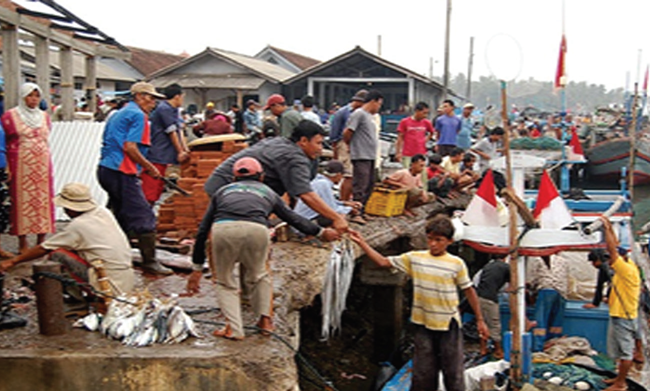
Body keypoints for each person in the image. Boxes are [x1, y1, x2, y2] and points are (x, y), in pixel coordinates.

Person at [187, 157, 339, 340]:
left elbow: (203, 229)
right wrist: (321, 232)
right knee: (260, 275)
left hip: (223, 230)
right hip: (257, 230)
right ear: (261, 177)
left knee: (225, 282)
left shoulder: (222, 191)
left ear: (234, 178)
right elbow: (293, 218)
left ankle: (234, 329)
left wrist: (196, 267)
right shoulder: (267, 192)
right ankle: (266, 322)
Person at [349, 216, 488, 391]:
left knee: (453, 371)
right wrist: (362, 243)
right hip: (423, 323)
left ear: (449, 241)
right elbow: (383, 262)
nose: (433, 244)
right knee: (423, 372)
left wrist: (480, 320)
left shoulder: (456, 263)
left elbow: (469, 290)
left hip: (448, 324)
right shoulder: (415, 258)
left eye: (439, 240)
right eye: (430, 239)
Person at [204, 120, 349, 233]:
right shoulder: (293, 157)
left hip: (229, 184)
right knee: (244, 227)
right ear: (303, 141)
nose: (320, 148)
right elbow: (306, 195)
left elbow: (296, 191)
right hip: (229, 187)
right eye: (318, 143)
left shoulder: (282, 143)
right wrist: (336, 218)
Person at [0, 183, 135, 296]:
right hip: (125, 279)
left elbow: (44, 248)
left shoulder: (78, 226)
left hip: (106, 282)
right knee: (71, 249)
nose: (65, 211)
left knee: (57, 255)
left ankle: (76, 300)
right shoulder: (102, 212)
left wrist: (12, 262)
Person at [97, 81, 172, 275]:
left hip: (106, 169)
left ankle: (114, 256)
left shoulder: (117, 113)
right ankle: (149, 261)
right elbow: (130, 147)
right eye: (151, 98)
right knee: (143, 215)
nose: (153, 103)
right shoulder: (138, 115)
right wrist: (150, 167)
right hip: (122, 171)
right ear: (139, 96)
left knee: (119, 214)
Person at [1, 82, 54, 254]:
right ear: (23, 97)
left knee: (43, 202)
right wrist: (7, 167)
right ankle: (22, 242)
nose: (33, 99)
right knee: (21, 201)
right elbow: (4, 141)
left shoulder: (44, 116)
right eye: (30, 95)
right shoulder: (11, 116)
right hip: (20, 164)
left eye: (37, 96)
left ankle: (41, 241)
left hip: (42, 165)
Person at [600, 217, 641, 391]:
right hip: (622, 314)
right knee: (617, 351)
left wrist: (605, 228)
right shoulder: (628, 264)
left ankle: (621, 383)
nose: (609, 261)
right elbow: (615, 248)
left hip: (623, 316)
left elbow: (613, 250)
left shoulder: (625, 269)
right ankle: (618, 377)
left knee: (625, 353)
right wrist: (608, 229)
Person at [141, 84, 190, 205]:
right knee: (151, 188)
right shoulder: (164, 109)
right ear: (177, 96)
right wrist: (180, 151)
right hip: (157, 153)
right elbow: (171, 131)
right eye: (182, 97)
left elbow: (180, 131)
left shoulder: (174, 110)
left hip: (164, 155)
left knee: (158, 187)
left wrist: (186, 149)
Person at [343, 89, 383, 212]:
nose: (379, 108)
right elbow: (347, 132)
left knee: (369, 184)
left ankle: (363, 209)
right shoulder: (358, 114)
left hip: (370, 155)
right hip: (361, 155)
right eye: (379, 104)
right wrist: (350, 145)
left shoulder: (370, 117)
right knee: (360, 184)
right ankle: (356, 212)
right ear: (373, 101)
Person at [293, 160, 362, 226]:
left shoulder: (318, 180)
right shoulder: (324, 184)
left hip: (301, 219)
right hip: (306, 222)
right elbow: (331, 208)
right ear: (338, 175)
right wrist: (350, 209)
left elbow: (327, 201)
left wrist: (345, 203)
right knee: (338, 216)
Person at [329, 90, 367, 202]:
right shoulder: (343, 113)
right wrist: (335, 151)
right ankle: (343, 202)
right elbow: (335, 134)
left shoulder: (360, 113)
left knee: (355, 176)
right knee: (348, 175)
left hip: (356, 146)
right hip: (345, 145)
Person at [529, 254, 569, 351]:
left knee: (540, 321)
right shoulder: (564, 260)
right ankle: (553, 346)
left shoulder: (538, 259)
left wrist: (531, 290)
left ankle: (538, 347)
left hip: (546, 290)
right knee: (556, 322)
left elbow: (533, 278)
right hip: (562, 292)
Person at [476, 255, 510, 358]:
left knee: (483, 324)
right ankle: (498, 351)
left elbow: (476, 281)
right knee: (495, 324)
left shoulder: (488, 266)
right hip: (490, 298)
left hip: (479, 297)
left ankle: (483, 349)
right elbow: (513, 286)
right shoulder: (506, 267)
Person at [394, 102, 434, 179]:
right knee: (408, 175)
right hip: (408, 153)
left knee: (422, 176)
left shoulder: (426, 122)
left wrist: (425, 140)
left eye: (427, 113)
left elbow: (432, 132)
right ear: (417, 111)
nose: (425, 115)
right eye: (424, 113)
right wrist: (398, 152)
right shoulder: (405, 122)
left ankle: (422, 190)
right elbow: (400, 138)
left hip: (421, 153)